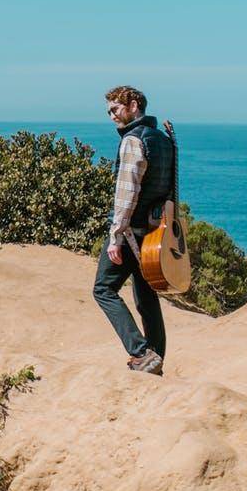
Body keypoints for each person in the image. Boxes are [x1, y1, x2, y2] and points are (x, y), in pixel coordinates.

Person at [93, 85, 175, 375]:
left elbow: (126, 194)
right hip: (154, 233)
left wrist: (116, 236)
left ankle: (140, 352)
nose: (112, 116)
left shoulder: (133, 139)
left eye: (115, 109)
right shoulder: (164, 139)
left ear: (133, 104)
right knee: (146, 296)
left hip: (130, 232)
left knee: (103, 289)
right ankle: (156, 360)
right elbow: (169, 190)